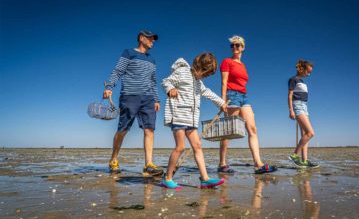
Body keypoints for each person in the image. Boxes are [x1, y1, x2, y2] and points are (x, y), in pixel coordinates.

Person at [161, 53, 228, 189]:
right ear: (199, 67)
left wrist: (221, 103)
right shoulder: (182, 71)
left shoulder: (198, 82)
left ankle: (205, 179)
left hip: (191, 119)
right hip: (179, 115)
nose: (204, 77)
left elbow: (207, 92)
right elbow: (165, 81)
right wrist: (171, 88)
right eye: (205, 74)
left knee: (197, 146)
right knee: (180, 147)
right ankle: (167, 178)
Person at [103, 30, 163, 176]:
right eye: (150, 38)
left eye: (154, 39)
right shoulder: (129, 53)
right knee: (123, 130)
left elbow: (153, 81)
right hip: (129, 96)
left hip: (148, 98)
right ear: (141, 38)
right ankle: (113, 159)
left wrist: (156, 99)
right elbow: (117, 71)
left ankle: (148, 164)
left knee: (149, 130)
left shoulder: (152, 59)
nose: (152, 41)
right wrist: (109, 87)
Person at [218, 35, 277, 174]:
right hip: (231, 95)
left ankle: (258, 164)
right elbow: (224, 82)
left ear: (243, 47)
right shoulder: (226, 61)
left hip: (244, 97)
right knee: (229, 131)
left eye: (237, 45)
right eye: (232, 45)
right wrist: (222, 100)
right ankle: (222, 164)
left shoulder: (243, 65)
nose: (235, 47)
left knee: (252, 129)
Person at [288, 60, 319, 168]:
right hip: (298, 106)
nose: (309, 74)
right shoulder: (293, 79)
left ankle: (305, 161)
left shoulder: (303, 82)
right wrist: (291, 110)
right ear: (302, 69)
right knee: (310, 133)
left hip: (305, 107)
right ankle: (294, 155)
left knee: (305, 134)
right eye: (308, 71)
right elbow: (290, 96)